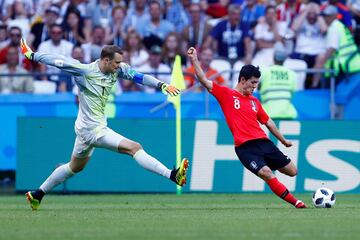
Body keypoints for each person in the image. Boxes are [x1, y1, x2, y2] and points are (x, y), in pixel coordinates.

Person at [20, 38, 189, 211]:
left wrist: (161, 85)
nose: (119, 65)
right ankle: (173, 175)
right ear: (106, 60)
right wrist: (32, 55)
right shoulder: (85, 71)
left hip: (85, 129)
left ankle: (37, 194)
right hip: (93, 130)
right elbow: (58, 61)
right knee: (134, 148)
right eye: (116, 62)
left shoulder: (117, 70)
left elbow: (140, 77)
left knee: (74, 167)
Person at [187, 46, 306, 208]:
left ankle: (268, 166)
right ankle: (296, 203)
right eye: (252, 83)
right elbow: (203, 80)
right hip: (245, 148)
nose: (255, 86)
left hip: (264, 143)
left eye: (257, 83)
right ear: (242, 80)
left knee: (293, 171)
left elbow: (268, 122)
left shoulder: (254, 102)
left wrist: (283, 140)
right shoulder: (226, 94)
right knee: (266, 173)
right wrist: (194, 60)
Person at [259, 48, 297, 120]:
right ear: (284, 60)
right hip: (287, 113)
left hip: (267, 113)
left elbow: (257, 88)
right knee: (290, 131)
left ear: (273, 59)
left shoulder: (265, 71)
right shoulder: (292, 74)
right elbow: (293, 93)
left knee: (263, 131)